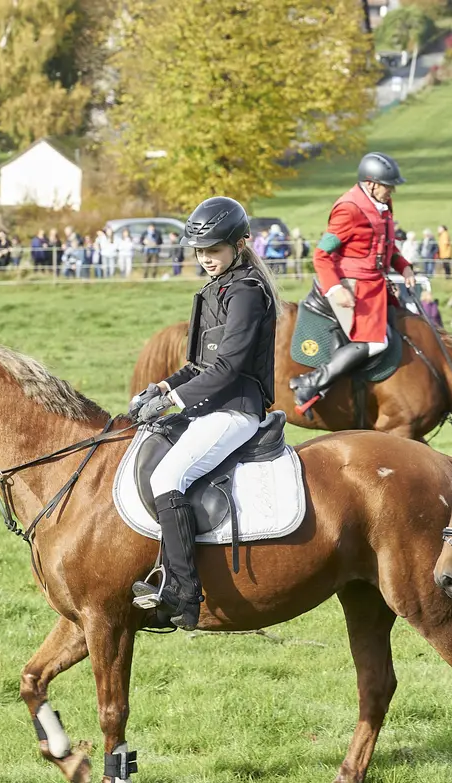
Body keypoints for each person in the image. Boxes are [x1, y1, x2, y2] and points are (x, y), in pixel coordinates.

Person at [127, 197, 278, 631]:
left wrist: (174, 402)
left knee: (166, 478)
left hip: (235, 409)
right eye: (199, 251)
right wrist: (160, 388)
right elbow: (197, 366)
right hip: (210, 405)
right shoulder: (215, 290)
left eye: (213, 249)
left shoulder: (246, 292)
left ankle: (183, 593)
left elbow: (229, 368)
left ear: (239, 244)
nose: (205, 259)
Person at [294, 152, 416, 409]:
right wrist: (336, 288)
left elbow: (387, 247)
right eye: (388, 185)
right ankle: (311, 383)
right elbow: (321, 254)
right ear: (371, 183)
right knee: (375, 342)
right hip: (350, 284)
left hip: (373, 285)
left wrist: (404, 267)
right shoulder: (348, 210)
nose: (391, 190)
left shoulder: (383, 206)